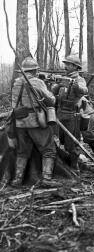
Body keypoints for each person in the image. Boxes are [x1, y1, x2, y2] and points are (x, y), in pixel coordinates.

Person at [11, 56, 59, 187]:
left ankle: (17, 179)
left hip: (20, 121)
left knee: (22, 152)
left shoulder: (16, 83)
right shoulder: (37, 82)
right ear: (35, 71)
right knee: (48, 149)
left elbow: (14, 104)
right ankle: (47, 179)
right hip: (36, 120)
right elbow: (51, 100)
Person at [52, 54, 88, 172]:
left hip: (72, 115)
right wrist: (58, 85)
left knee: (72, 142)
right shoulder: (63, 78)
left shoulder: (80, 80)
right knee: (58, 140)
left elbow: (84, 90)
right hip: (60, 113)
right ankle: (63, 163)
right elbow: (53, 91)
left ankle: (74, 166)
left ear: (75, 66)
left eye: (68, 64)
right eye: (65, 64)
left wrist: (73, 84)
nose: (65, 66)